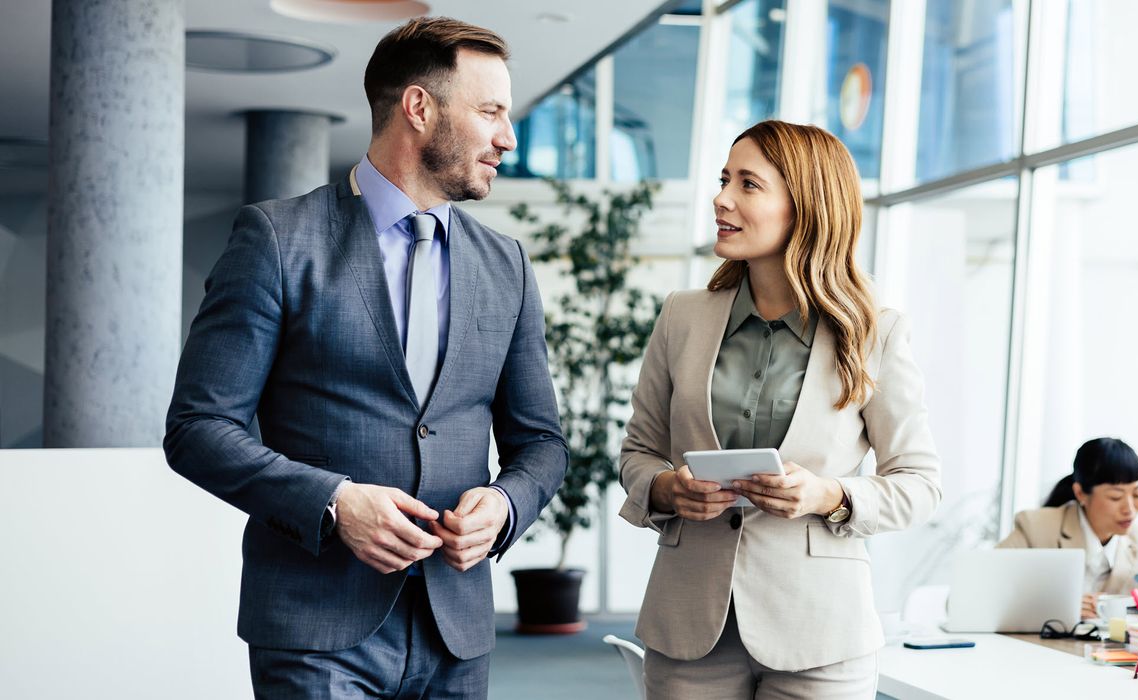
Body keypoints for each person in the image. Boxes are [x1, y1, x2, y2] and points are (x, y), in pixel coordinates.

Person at [164, 17, 567, 697]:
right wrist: (334, 502)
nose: (507, 137)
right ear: (419, 107)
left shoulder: (508, 266)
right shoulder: (277, 240)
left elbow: (543, 445)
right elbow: (197, 430)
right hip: (315, 633)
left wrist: (503, 504)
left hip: (456, 632)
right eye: (491, 111)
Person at [617, 120, 942, 699]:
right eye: (724, 180)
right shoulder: (683, 317)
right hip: (690, 629)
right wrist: (668, 490)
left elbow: (919, 483)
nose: (721, 199)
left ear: (806, 207)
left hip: (821, 635)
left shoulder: (874, 332)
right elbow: (639, 452)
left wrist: (830, 495)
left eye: (748, 184)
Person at [999, 438, 1138, 619]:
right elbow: (986, 589)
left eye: (1136, 493)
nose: (1130, 509)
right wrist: (1054, 608)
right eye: (1115, 497)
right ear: (1080, 494)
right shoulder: (1037, 528)